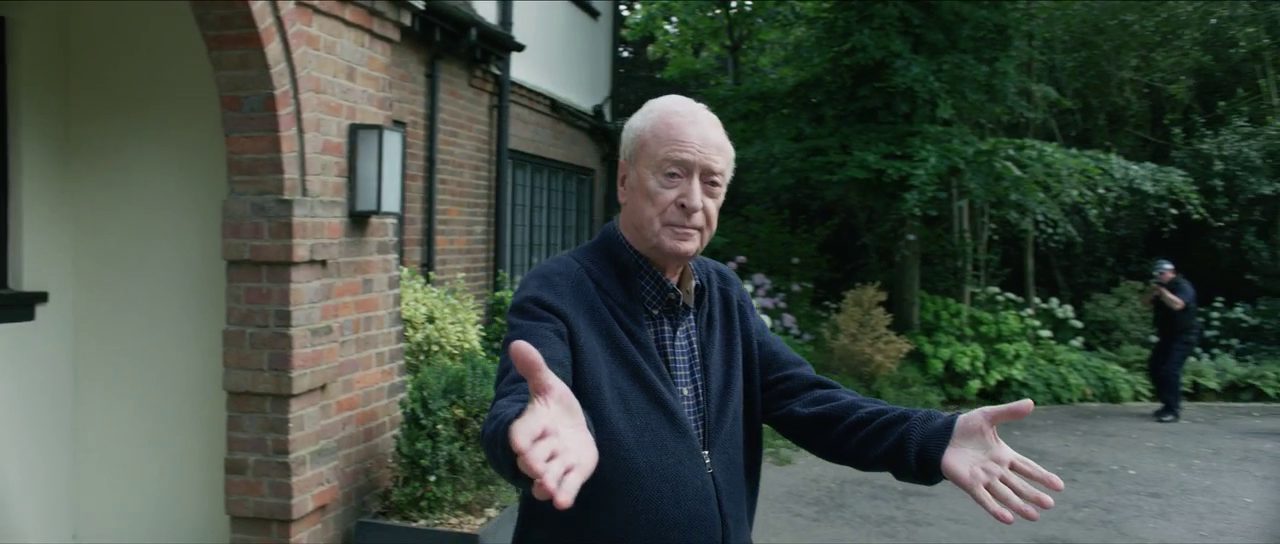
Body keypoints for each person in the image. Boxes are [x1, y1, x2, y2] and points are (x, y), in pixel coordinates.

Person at [480, 94, 1065, 543]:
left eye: (712, 183)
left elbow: (809, 402)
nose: (693, 200)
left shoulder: (722, 293)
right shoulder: (558, 292)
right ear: (625, 181)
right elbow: (523, 404)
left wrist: (933, 437)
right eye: (672, 174)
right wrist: (529, 436)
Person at [1144, 259, 1200, 423]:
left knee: (1171, 370)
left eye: (1162, 273)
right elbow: (1144, 303)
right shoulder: (1161, 289)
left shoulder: (1182, 286)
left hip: (1184, 335)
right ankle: (1167, 403)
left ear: (1171, 272)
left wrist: (1163, 292)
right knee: (1154, 367)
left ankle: (1173, 410)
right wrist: (1154, 291)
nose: (1159, 276)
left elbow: (1178, 305)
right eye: (1157, 274)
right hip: (1167, 335)